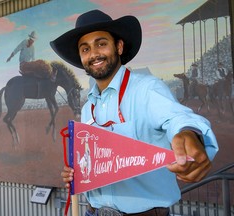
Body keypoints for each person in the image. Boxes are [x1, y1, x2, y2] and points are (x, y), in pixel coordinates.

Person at [50, 10, 219, 216]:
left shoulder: (147, 89)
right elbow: (96, 160)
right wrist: (80, 171)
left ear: (119, 47)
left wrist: (189, 134)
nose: (93, 54)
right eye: (85, 49)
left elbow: (178, 118)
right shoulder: (88, 108)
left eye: (101, 43)